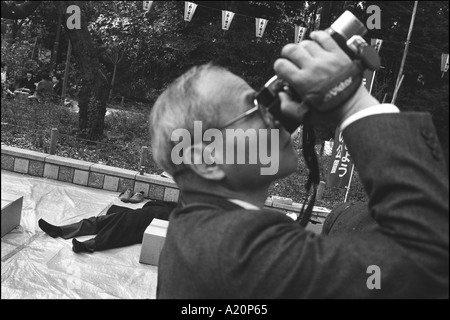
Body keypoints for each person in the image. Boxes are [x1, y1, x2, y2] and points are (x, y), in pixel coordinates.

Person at [151, 30, 449, 299]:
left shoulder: (196, 234)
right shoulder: (237, 252)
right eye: (256, 108)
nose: (277, 114)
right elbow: (427, 258)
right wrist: (351, 100)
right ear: (206, 160)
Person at [38, 199, 178, 253]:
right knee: (104, 220)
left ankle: (88, 245)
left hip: (158, 221)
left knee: (120, 229)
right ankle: (60, 230)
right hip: (148, 213)